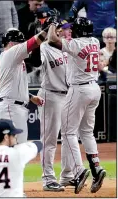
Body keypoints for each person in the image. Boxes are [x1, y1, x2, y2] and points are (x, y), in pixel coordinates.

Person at [47, 17, 106, 194]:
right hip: (94, 89)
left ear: (79, 31)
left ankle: (79, 171)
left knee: (68, 132)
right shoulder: (95, 41)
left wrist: (52, 24)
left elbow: (52, 40)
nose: (71, 31)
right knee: (87, 132)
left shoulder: (76, 44)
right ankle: (96, 167)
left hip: (79, 90)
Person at [0, 24, 57, 144]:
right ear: (11, 43)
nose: (22, 45)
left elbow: (11, 87)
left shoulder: (11, 59)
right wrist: (49, 27)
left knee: (16, 149)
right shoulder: (10, 53)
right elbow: (33, 42)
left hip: (11, 106)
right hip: (10, 108)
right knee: (15, 149)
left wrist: (31, 97)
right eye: (20, 42)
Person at [37, 19, 72, 192]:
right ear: (56, 31)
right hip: (50, 95)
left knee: (68, 137)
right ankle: (48, 179)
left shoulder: (69, 47)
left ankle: (67, 176)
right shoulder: (46, 47)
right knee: (49, 140)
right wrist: (51, 26)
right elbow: (48, 41)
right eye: (64, 29)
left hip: (68, 96)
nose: (68, 31)